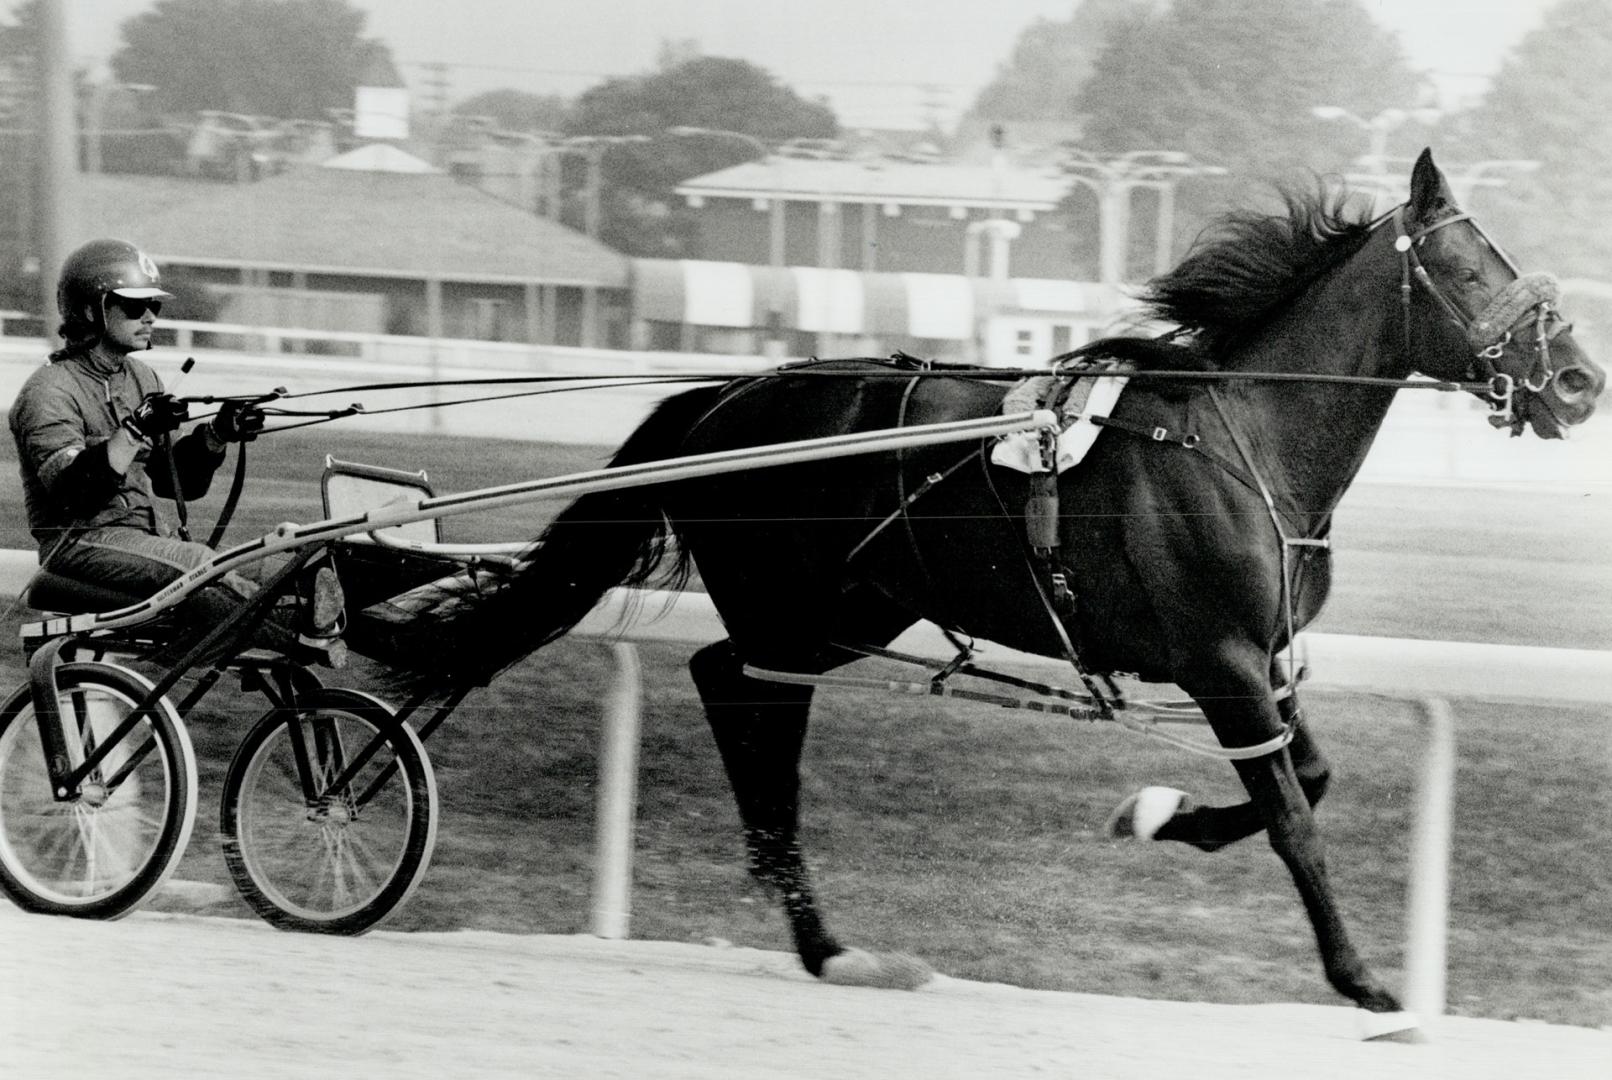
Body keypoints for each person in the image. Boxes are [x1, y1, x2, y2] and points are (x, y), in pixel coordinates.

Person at [9, 237, 343, 660]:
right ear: (91, 310)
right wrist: (130, 433)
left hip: (150, 540)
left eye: (154, 305)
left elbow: (172, 483)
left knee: (279, 560)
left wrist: (216, 436)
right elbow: (74, 495)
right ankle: (295, 636)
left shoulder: (142, 378)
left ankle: (325, 624)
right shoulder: (48, 392)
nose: (149, 316)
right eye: (135, 306)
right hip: (81, 543)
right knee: (201, 565)